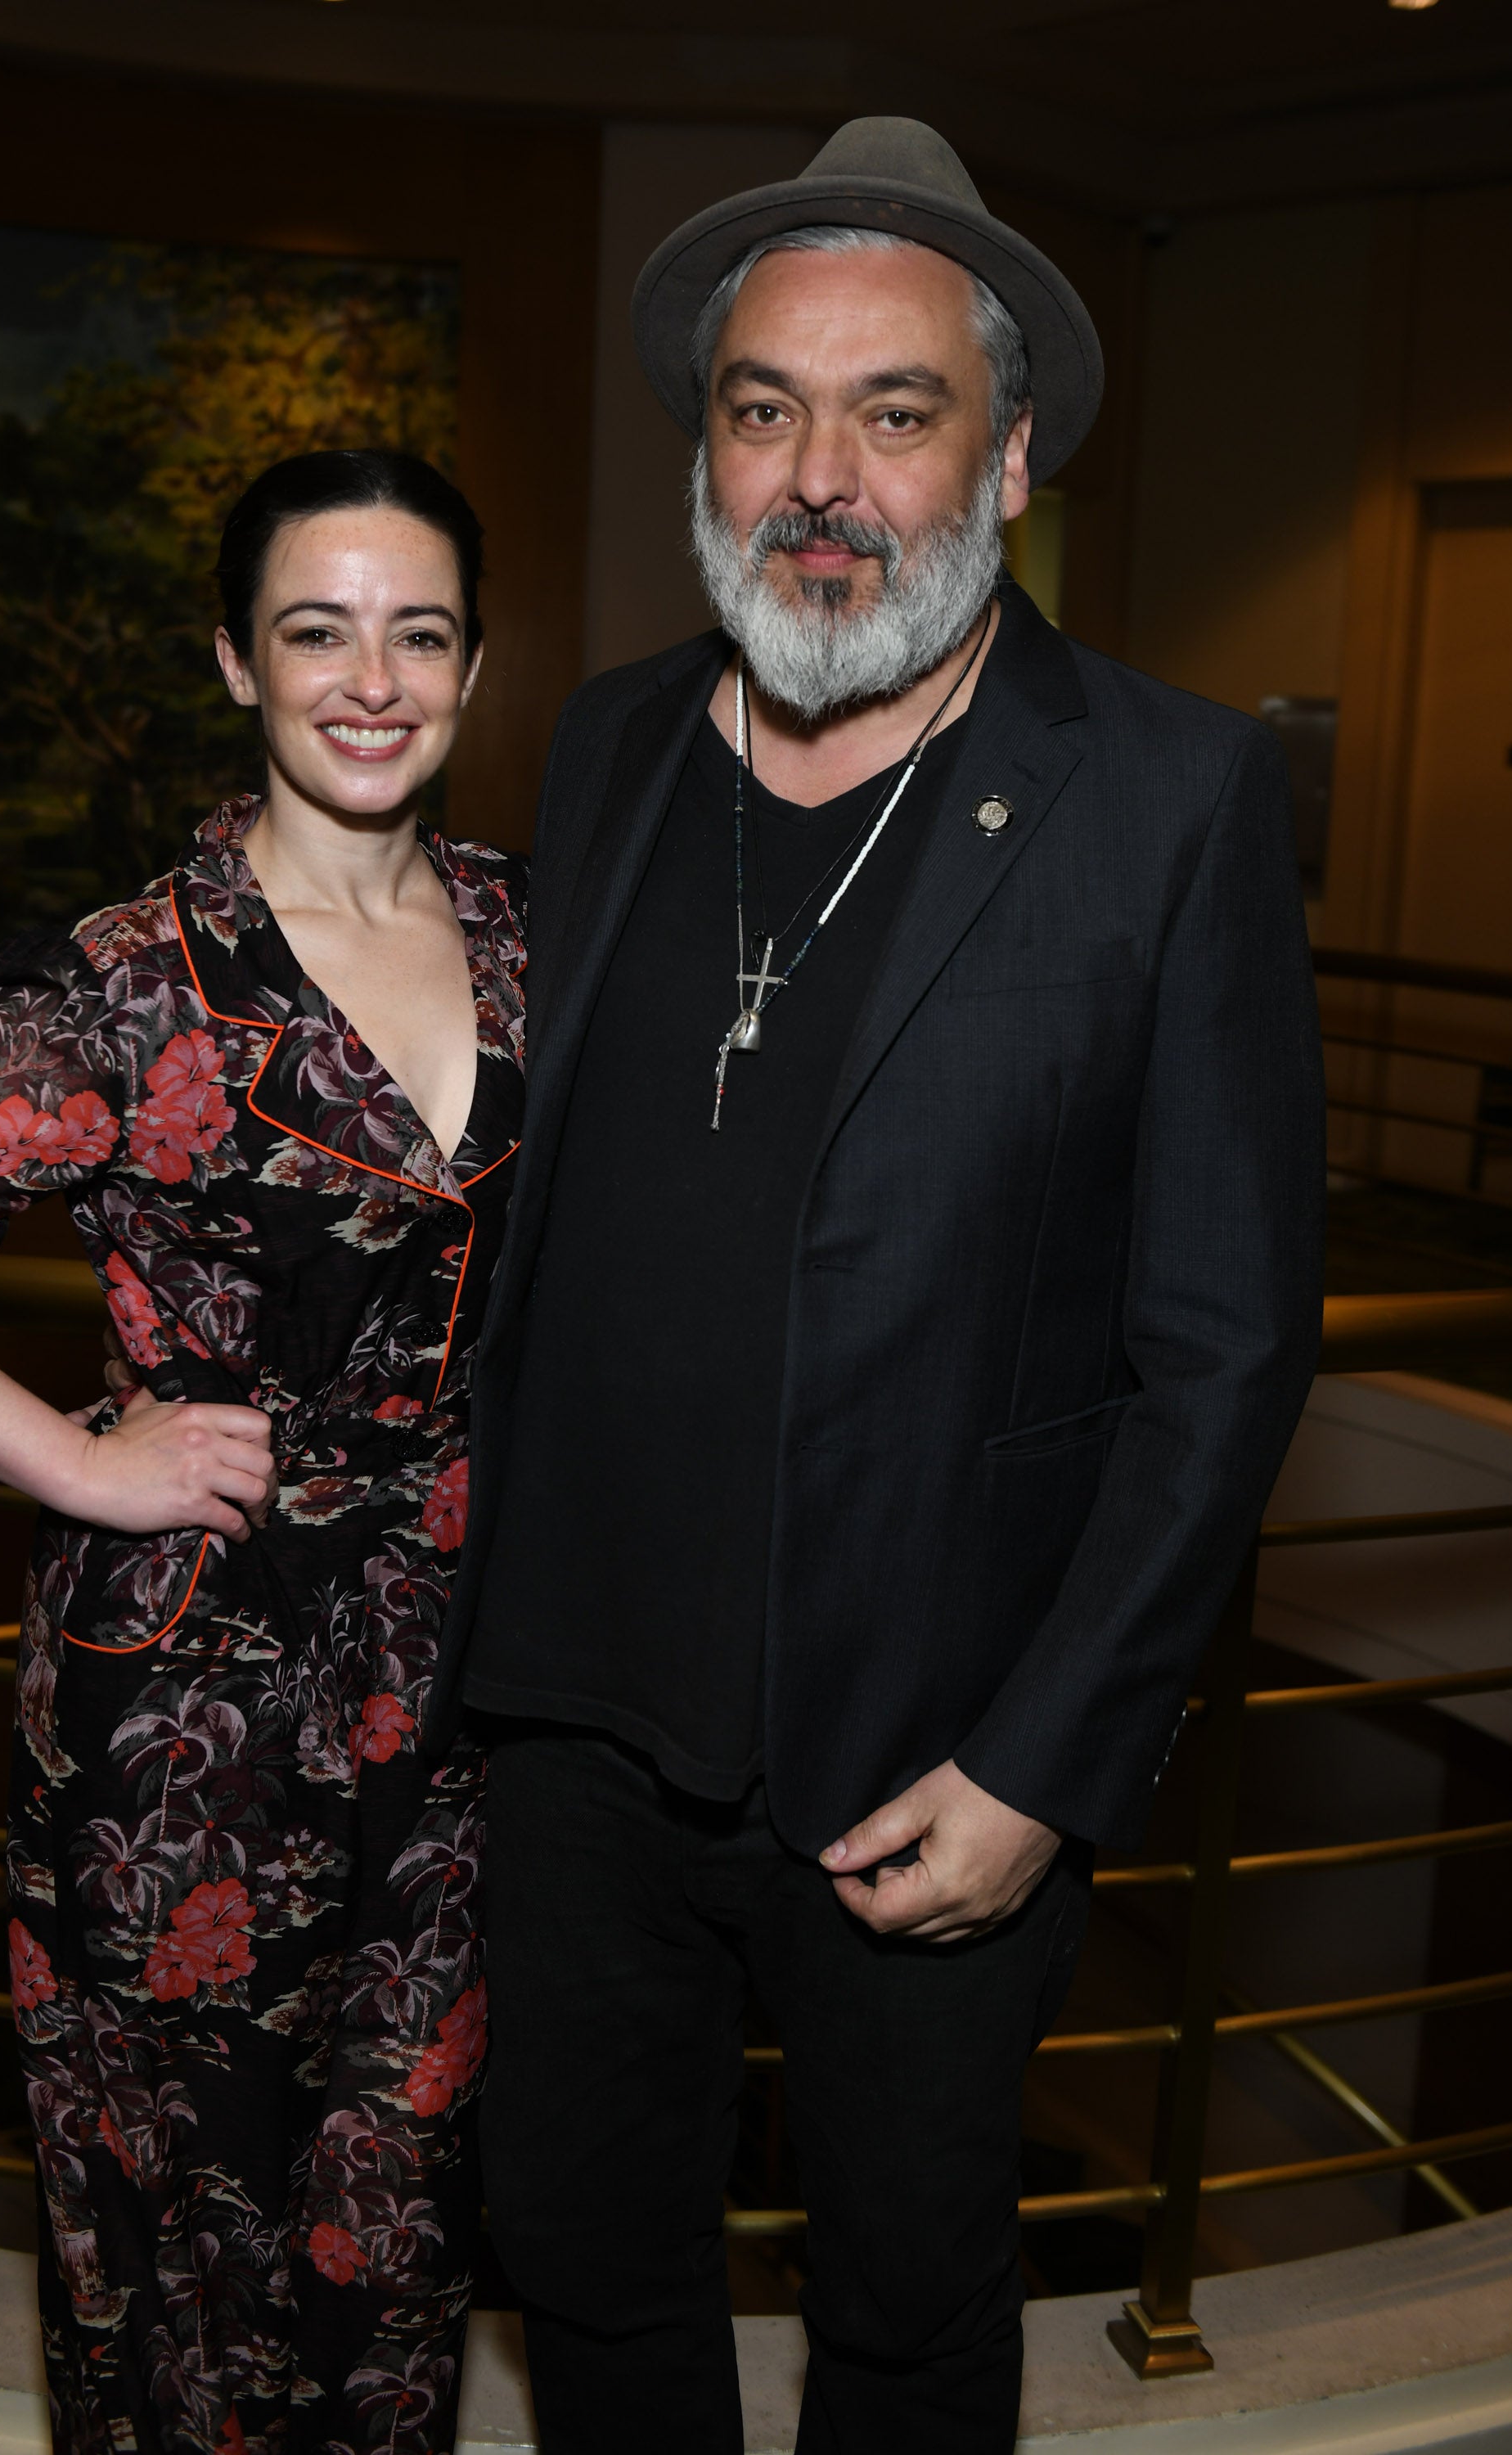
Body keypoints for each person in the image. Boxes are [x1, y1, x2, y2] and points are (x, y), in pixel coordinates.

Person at [430, 119, 1325, 2453]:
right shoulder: (617, 738)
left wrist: (1042, 1763)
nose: (818, 475)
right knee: (584, 2259)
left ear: (1005, 457)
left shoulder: (1165, 793)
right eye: (760, 408)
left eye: (892, 412)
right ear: (704, 447)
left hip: (926, 1758)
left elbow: (1223, 1347)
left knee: (913, 2310)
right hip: (565, 1727)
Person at [0, 449, 524, 2455]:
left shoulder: (536, 931)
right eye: (315, 630)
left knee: (398, 2219)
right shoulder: (133, 974)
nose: (371, 679)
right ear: (236, 660)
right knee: (185, 2242)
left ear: (471, 664)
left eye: (417, 633)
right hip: (180, 1689)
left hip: (452, 1683)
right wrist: (79, 1466)